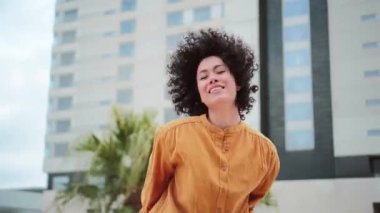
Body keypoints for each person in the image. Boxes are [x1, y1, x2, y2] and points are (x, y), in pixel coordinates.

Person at [140, 28, 280, 213]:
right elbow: (150, 200)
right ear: (198, 91)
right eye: (203, 77)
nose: (212, 79)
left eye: (220, 71)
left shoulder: (265, 153)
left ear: (237, 82)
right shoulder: (171, 136)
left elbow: (248, 203)